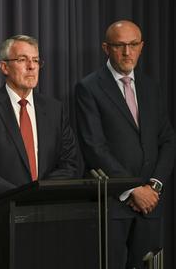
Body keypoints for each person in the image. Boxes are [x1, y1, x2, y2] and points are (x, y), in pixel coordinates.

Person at [0, 34, 81, 269]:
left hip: (48, 223)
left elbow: (72, 163)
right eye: (23, 59)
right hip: (0, 225)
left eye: (36, 61)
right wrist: (21, 196)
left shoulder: (55, 109)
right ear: (4, 67)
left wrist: (41, 193)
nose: (31, 67)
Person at [75, 20, 175, 268]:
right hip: (112, 207)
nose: (127, 52)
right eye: (119, 45)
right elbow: (94, 147)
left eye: (132, 45)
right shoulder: (88, 88)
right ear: (105, 48)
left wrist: (154, 186)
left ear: (141, 47)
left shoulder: (151, 87)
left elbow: (167, 140)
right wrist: (133, 189)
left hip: (151, 204)